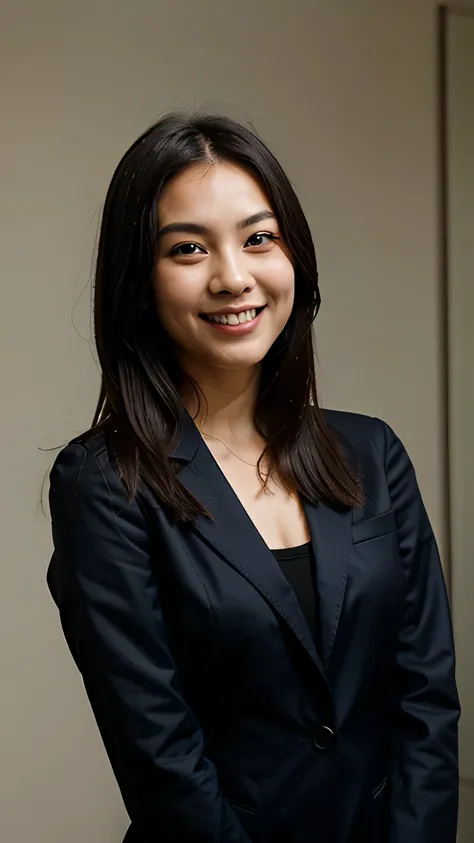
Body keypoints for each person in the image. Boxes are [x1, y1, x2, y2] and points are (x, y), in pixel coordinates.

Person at [47, 113, 460, 843]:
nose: (232, 275)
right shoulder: (105, 483)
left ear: (293, 254)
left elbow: (426, 701)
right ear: (140, 280)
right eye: (188, 248)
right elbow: (161, 756)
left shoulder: (372, 452)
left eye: (258, 237)